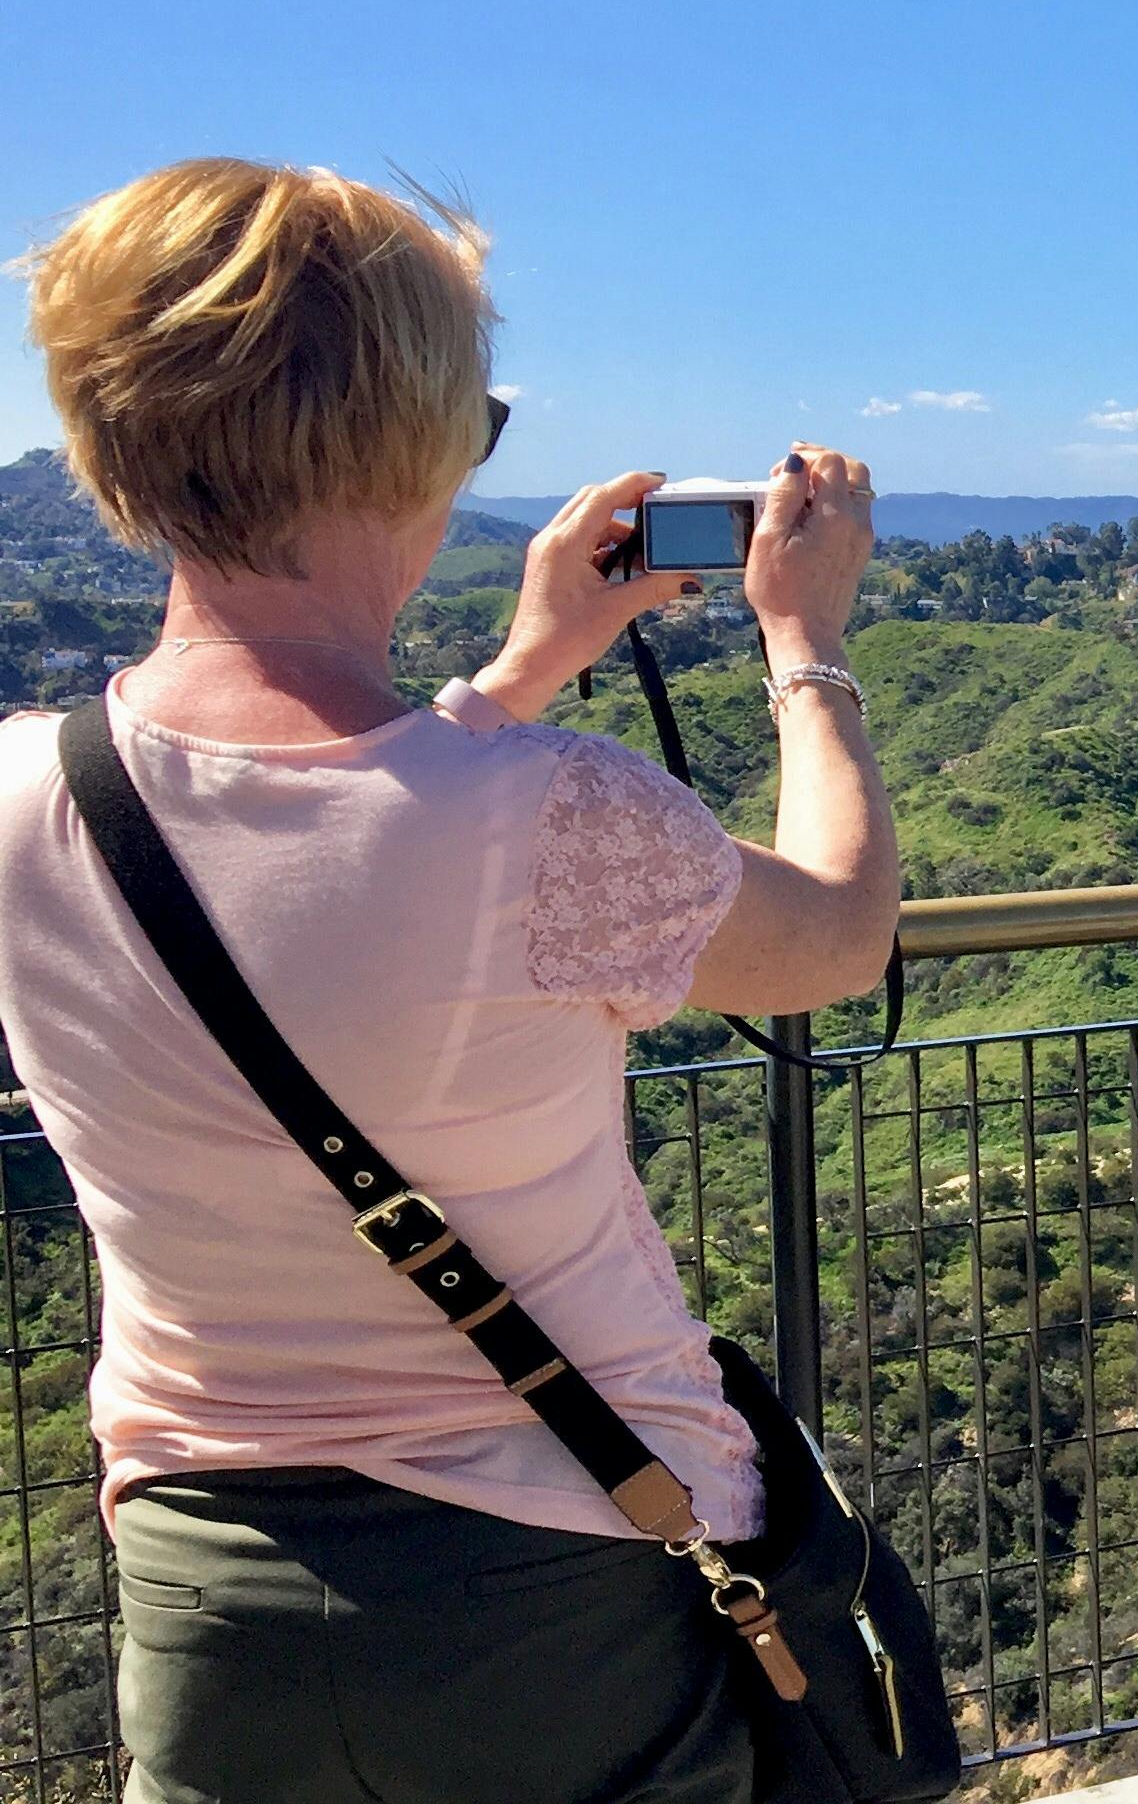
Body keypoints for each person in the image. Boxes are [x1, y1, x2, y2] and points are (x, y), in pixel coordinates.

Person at [0, 158, 900, 1803]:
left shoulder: (20, 802)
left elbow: (321, 845)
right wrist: (805, 644)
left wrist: (518, 670)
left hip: (208, 1599)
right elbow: (837, 936)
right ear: (412, 440)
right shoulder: (561, 817)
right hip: (558, 1586)